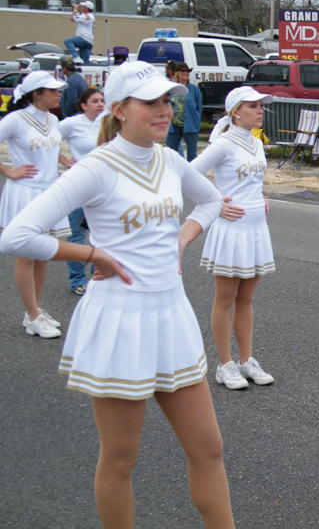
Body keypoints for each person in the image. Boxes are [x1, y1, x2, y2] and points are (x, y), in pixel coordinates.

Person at [0, 61, 236, 528]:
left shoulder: (170, 160)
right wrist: (92, 255)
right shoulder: (97, 166)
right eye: (151, 101)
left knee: (209, 448)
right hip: (120, 319)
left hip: (172, 313)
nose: (164, 110)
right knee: (122, 458)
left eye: (168, 100)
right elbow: (15, 236)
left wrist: (184, 236)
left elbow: (210, 201)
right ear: (119, 109)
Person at [191, 86, 276, 391]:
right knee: (225, 300)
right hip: (231, 230)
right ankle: (224, 365)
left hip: (255, 227)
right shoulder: (223, 144)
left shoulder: (256, 143)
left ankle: (246, 360)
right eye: (253, 106)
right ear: (236, 111)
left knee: (246, 299)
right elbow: (188, 175)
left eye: (260, 106)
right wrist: (216, 203)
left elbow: (251, 180)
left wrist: (260, 196)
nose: (260, 111)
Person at [0, 71, 69, 338]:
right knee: (27, 254)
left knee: (44, 253)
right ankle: (32, 315)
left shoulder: (53, 118)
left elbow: (50, 147)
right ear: (36, 94)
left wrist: (62, 161)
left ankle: (36, 310)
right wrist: (8, 172)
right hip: (24, 192)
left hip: (49, 192)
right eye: (52, 90)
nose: (58, 93)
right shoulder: (15, 119)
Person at [59, 87, 104, 295]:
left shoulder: (107, 122)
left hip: (102, 186)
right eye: (95, 101)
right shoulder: (72, 123)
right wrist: (65, 160)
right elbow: (50, 140)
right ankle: (77, 280)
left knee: (101, 233)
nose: (100, 104)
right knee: (77, 235)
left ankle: (99, 276)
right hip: (78, 185)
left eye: (102, 101)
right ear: (84, 105)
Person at [166, 62, 203, 161]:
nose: (185, 73)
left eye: (187, 71)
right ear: (177, 73)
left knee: (192, 155)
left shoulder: (194, 89)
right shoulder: (170, 87)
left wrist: (196, 121)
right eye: (182, 71)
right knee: (171, 154)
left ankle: (191, 175)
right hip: (173, 126)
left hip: (190, 125)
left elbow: (199, 108)